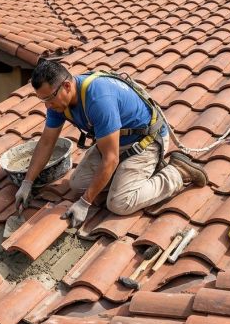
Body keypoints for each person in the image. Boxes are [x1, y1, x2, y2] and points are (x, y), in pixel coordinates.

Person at [15, 60, 208, 228]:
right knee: (77, 184)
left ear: (66, 86)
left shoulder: (99, 99)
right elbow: (47, 142)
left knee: (119, 203)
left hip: (145, 142)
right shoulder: (57, 103)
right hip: (112, 142)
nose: (47, 106)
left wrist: (84, 203)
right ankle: (125, 176)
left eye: (49, 99)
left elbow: (111, 157)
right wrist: (27, 182)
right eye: (43, 100)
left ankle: (177, 172)